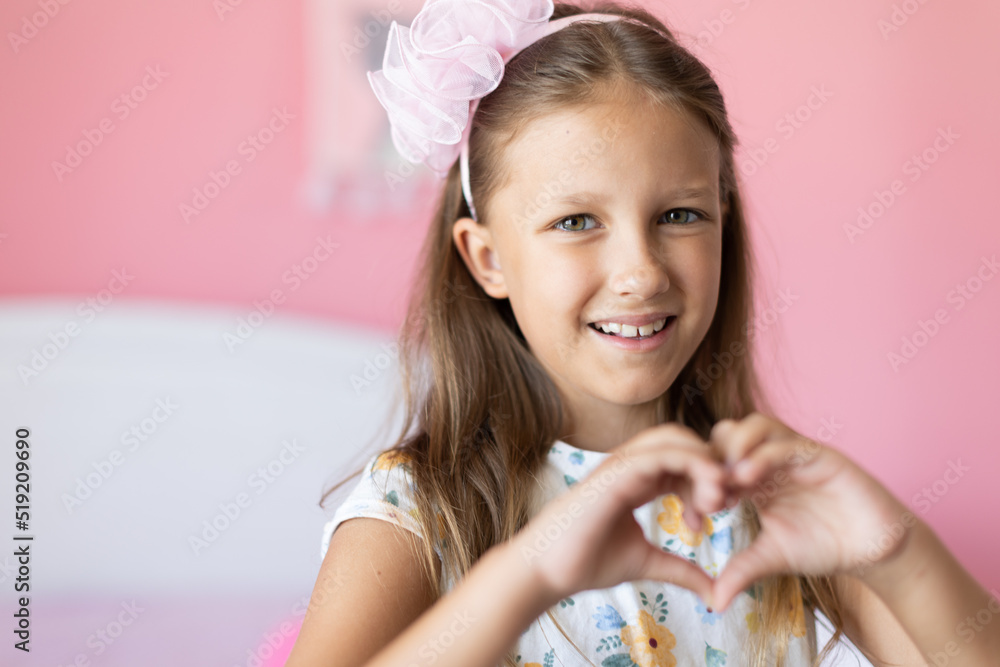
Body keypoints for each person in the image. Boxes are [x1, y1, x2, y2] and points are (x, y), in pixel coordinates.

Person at [285, 2, 1000, 666]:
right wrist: (529, 575)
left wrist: (900, 553)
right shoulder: (418, 506)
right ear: (488, 257)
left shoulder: (771, 506)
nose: (640, 272)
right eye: (575, 222)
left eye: (680, 215)